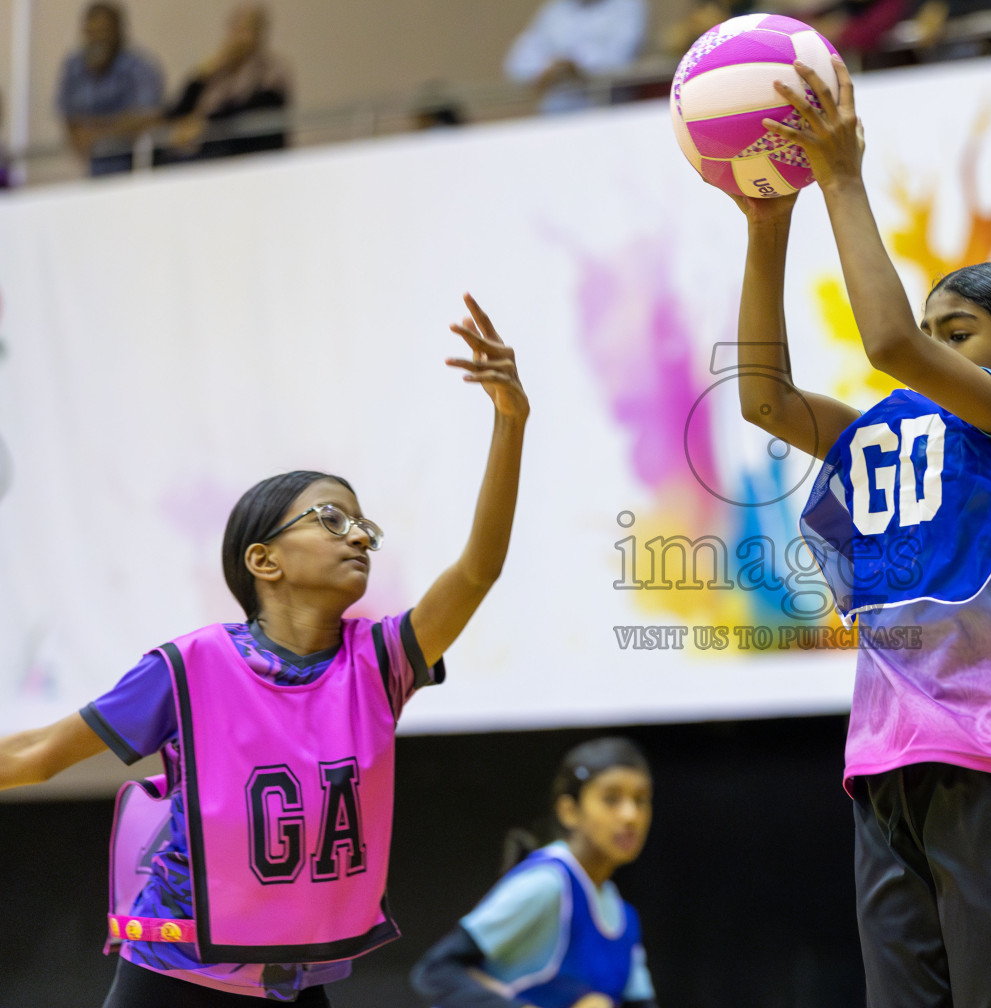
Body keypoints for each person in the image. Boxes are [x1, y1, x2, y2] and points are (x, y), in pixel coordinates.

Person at [731, 61, 991, 1008]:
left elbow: (888, 346)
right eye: (932, 328)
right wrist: (767, 228)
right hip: (882, 769)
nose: (929, 347)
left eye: (958, 332)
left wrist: (842, 178)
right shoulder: (895, 433)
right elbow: (764, 399)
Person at [0, 293, 529, 1005]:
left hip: (292, 980)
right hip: (173, 977)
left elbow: (478, 571)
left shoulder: (377, 665)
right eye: (332, 518)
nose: (359, 535)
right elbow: (35, 756)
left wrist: (510, 422)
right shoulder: (188, 669)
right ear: (263, 560)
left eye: (364, 524)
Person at [411, 737, 658, 1007]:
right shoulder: (548, 884)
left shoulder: (623, 915)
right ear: (569, 810)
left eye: (641, 800)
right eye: (611, 799)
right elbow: (435, 973)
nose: (630, 815)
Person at [160, 2, 291, 163]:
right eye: (235, 29)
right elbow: (179, 111)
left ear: (259, 33)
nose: (238, 37)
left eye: (245, 30)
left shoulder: (271, 71)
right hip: (207, 152)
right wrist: (203, 73)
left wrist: (203, 124)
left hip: (248, 153)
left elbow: (254, 109)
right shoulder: (218, 72)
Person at [55, 0, 165, 176]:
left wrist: (97, 134)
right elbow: (71, 119)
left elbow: (148, 117)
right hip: (93, 168)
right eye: (91, 32)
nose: (98, 39)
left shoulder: (140, 67)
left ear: (119, 32)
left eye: (104, 31)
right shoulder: (74, 67)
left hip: (136, 165)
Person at [503, 0, 650, 114]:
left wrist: (575, 65)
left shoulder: (629, 3)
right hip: (556, 118)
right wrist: (549, 68)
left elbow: (618, 59)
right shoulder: (554, 10)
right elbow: (518, 65)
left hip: (608, 114)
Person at [801, 0, 914, 64]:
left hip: (898, 74)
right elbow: (808, 15)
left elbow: (865, 36)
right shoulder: (849, 1)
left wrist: (836, 31)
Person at [664, 0, 765, 56]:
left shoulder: (764, 14)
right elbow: (672, 44)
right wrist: (687, 31)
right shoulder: (704, 4)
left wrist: (720, 27)